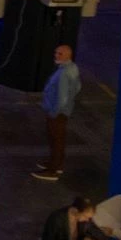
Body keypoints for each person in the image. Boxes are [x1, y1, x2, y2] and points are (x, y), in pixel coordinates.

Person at [33, 44, 81, 181]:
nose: (56, 55)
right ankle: (56, 164)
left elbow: (62, 98)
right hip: (63, 112)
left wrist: (53, 112)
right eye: (56, 52)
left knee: (56, 140)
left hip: (57, 113)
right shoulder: (72, 68)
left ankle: (52, 171)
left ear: (68, 55)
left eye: (60, 54)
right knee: (59, 139)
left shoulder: (64, 73)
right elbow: (78, 87)